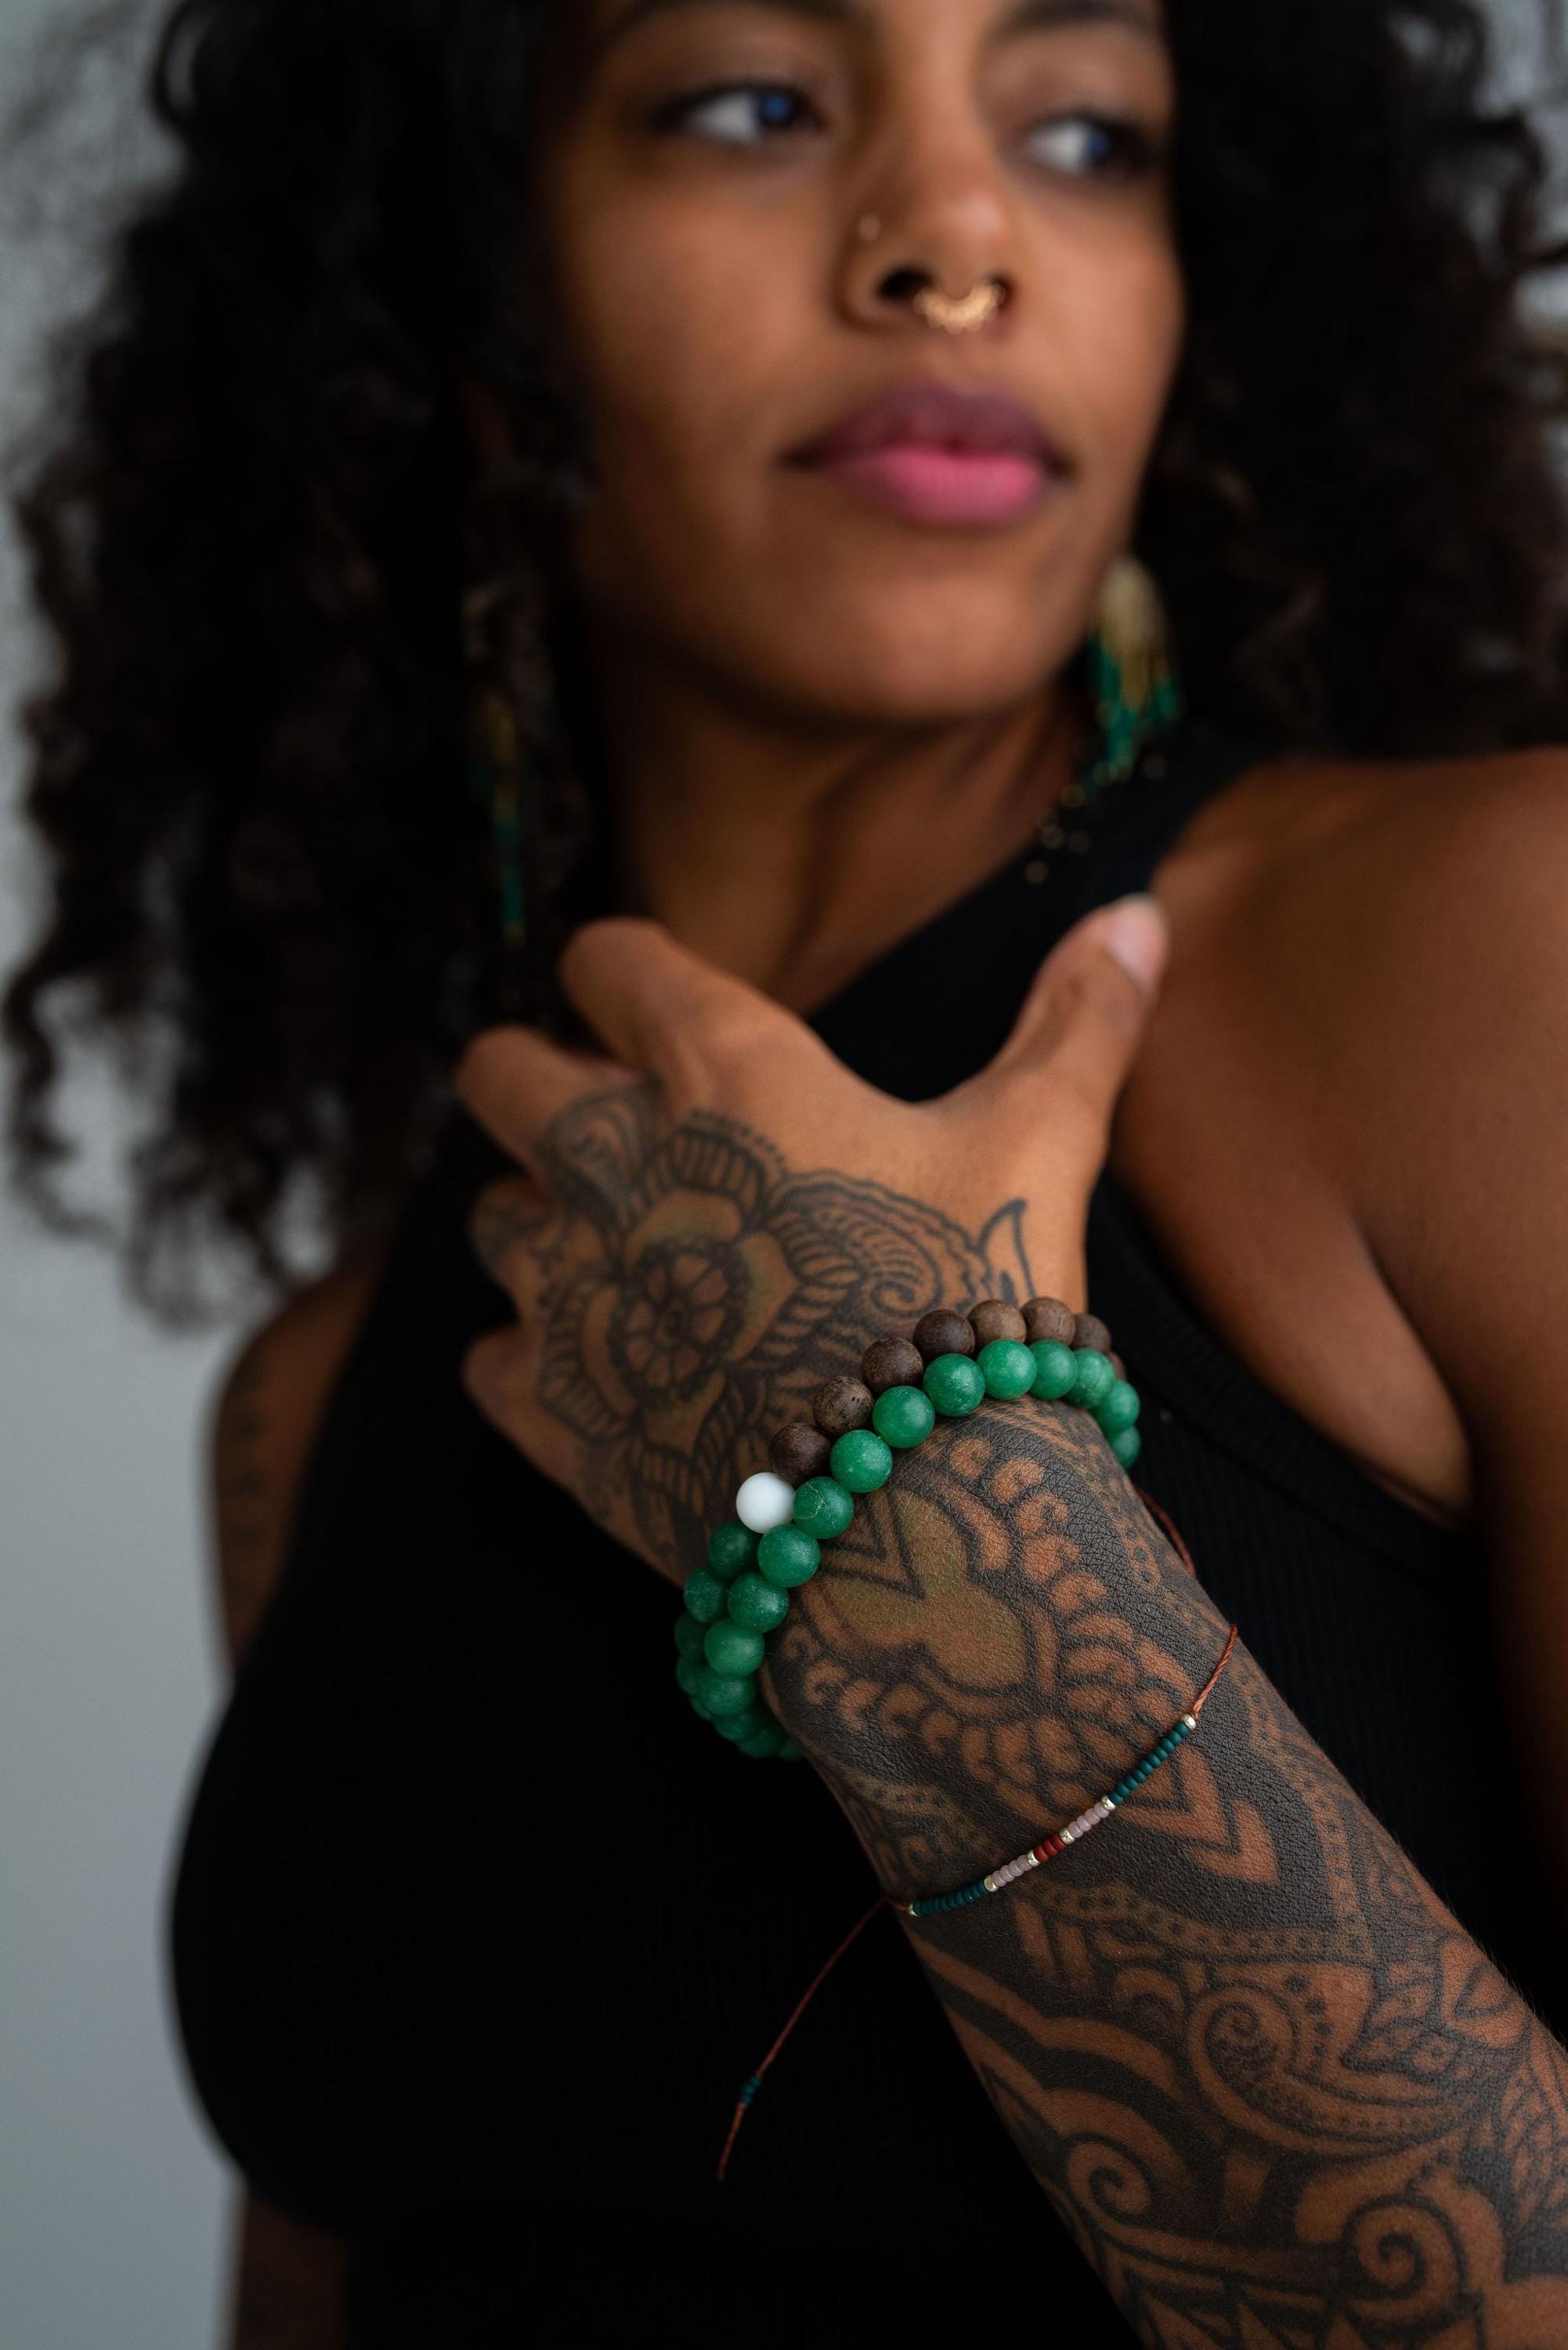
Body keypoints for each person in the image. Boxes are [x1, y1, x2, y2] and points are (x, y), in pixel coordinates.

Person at [9, 0, 1568, 2340]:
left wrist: (915, 1487)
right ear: (470, 303)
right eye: (750, 103)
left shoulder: (1496, 966)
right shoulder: (319, 1405)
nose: (951, 235)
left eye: (1083, 131)